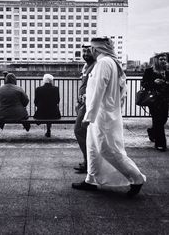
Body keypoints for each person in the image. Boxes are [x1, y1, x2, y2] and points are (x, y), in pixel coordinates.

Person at [72, 37, 146, 198]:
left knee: (108, 150)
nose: (89, 51)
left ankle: (137, 178)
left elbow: (98, 91)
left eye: (91, 48)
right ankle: (91, 180)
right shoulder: (110, 62)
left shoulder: (103, 63)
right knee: (93, 148)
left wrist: (88, 116)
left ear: (96, 49)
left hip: (101, 116)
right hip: (102, 113)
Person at [73, 44, 96, 174]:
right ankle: (88, 162)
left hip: (88, 104)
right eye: (84, 51)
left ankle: (89, 162)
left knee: (79, 131)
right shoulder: (86, 66)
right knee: (85, 133)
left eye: (88, 51)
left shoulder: (96, 66)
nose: (86, 54)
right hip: (82, 104)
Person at [141, 52, 169, 152]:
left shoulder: (167, 71)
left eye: (165, 59)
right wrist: (154, 82)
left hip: (165, 99)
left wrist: (165, 82)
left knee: (163, 119)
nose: (163, 61)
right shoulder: (149, 71)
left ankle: (152, 132)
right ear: (156, 60)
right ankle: (160, 144)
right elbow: (143, 83)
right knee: (158, 120)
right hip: (154, 99)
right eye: (161, 59)